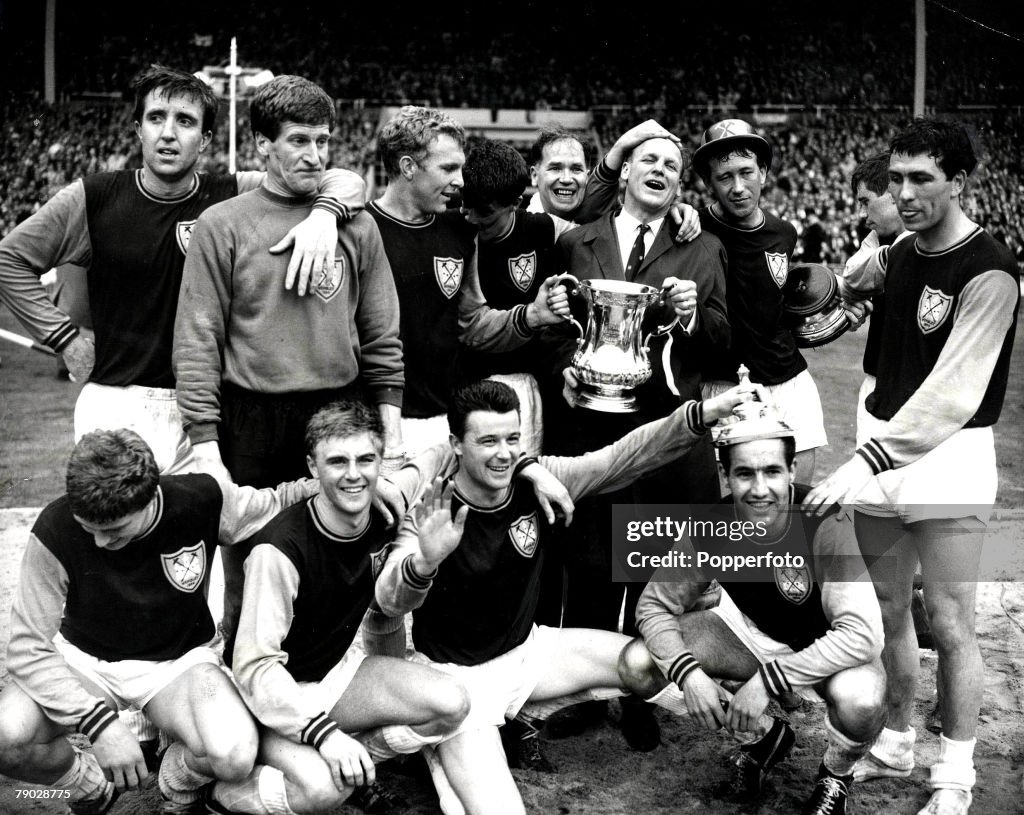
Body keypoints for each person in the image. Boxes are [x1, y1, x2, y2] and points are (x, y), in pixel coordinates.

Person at [374, 377, 758, 815]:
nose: (503, 453)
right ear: (456, 445)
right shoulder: (433, 508)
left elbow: (623, 457)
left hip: (526, 655)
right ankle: (434, 753)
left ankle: (760, 736)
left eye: (512, 439)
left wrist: (701, 415)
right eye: (488, 441)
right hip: (456, 683)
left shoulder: (539, 480)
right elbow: (389, 601)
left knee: (643, 661)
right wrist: (423, 562)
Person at [0, 64, 365, 475]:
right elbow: (8, 260)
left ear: (206, 139)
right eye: (156, 118)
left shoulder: (233, 194)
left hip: (210, 406)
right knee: (121, 530)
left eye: (185, 121)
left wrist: (323, 216)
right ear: (138, 128)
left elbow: (341, 180)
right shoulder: (94, 197)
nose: (168, 133)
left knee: (198, 535)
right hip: (120, 398)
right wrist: (65, 339)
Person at [806, 118, 1020, 815]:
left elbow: (952, 395)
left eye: (921, 178)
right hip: (880, 456)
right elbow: (830, 291)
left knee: (952, 621)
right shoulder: (896, 253)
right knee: (892, 612)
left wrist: (865, 456)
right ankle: (895, 737)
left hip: (949, 461)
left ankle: (954, 776)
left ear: (959, 182)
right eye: (895, 178)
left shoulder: (990, 269)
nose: (903, 191)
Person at [0, 428, 320, 815]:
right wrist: (98, 724)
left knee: (234, 754)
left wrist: (347, 486)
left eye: (114, 530)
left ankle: (171, 783)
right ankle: (91, 792)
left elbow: (277, 501)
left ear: (152, 497)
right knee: (6, 736)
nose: (100, 543)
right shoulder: (55, 526)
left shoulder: (201, 498)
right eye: (89, 528)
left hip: (179, 664)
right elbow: (26, 646)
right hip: (86, 661)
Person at [543, 123, 730, 750]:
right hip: (590, 424)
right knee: (590, 562)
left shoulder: (701, 247)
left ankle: (638, 691)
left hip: (665, 430)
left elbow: (722, 340)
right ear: (621, 172)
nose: (659, 168)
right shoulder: (578, 241)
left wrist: (692, 315)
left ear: (679, 184)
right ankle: (590, 694)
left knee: (646, 567)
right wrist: (564, 371)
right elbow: (554, 327)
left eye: (671, 164)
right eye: (647, 159)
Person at [205, 401, 470, 815]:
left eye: (366, 459)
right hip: (268, 696)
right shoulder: (280, 549)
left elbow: (433, 457)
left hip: (332, 674)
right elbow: (255, 667)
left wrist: (425, 561)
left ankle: (356, 764)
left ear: (382, 462)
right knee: (325, 791)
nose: (353, 474)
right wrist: (324, 734)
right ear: (312, 467)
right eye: (337, 461)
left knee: (451, 704)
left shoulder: (385, 510)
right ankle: (220, 796)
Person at [621, 407, 886, 815]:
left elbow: (862, 635)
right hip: (747, 637)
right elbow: (654, 606)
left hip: (826, 649)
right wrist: (690, 674)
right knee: (639, 663)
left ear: (792, 470)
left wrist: (768, 682)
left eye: (772, 472)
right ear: (726, 476)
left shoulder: (826, 519)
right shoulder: (713, 526)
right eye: (745, 473)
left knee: (863, 699)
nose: (760, 489)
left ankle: (836, 774)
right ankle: (762, 739)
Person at [173, 74, 403, 488]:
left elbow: (381, 338)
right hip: (252, 420)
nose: (315, 156)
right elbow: (197, 343)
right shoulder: (221, 225)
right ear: (263, 142)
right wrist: (205, 446)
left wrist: (392, 435)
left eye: (323, 141)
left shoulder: (358, 226)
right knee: (255, 549)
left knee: (340, 547)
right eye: (299, 140)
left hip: (341, 410)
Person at [692, 118, 827, 483]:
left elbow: (776, 303)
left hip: (790, 381)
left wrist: (832, 312)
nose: (738, 187)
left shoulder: (784, 232)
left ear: (763, 172)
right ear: (708, 184)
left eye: (746, 172)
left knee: (796, 498)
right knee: (732, 513)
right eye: (724, 177)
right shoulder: (692, 229)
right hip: (726, 386)